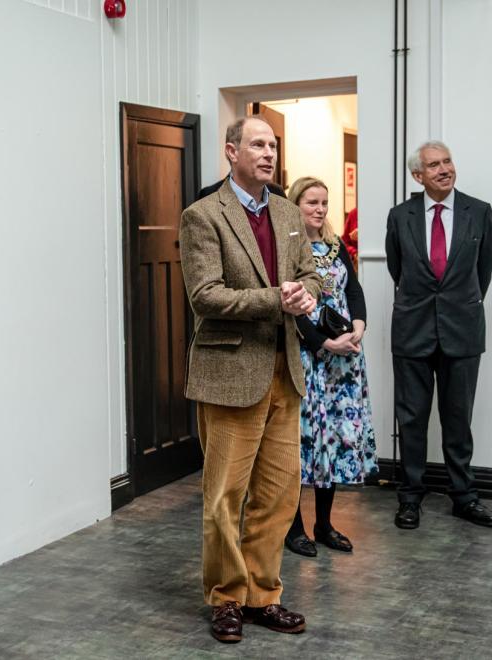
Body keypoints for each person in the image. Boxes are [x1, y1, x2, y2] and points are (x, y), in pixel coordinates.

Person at [179, 117, 322, 644]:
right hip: (230, 375)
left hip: (286, 372)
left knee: (279, 497)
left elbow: (309, 274)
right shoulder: (203, 215)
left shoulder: (287, 212)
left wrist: (307, 294)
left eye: (273, 145)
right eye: (258, 145)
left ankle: (264, 595)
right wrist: (277, 300)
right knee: (224, 498)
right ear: (231, 151)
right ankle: (226, 597)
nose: (268, 153)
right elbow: (205, 295)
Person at [385, 140, 492, 530]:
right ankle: (410, 498)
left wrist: (458, 305)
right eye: (433, 165)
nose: (443, 169)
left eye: (447, 161)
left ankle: (464, 497)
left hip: (462, 332)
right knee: (412, 418)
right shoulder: (399, 216)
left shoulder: (479, 212)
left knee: (457, 419)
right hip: (412, 330)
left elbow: (482, 273)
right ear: (418, 175)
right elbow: (397, 270)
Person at [283, 177, 377, 557]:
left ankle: (324, 524)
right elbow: (291, 308)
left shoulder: (336, 247)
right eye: (312, 203)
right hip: (309, 358)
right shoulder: (288, 249)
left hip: (343, 363)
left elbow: (353, 290)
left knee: (334, 443)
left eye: (325, 203)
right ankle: (293, 529)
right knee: (303, 444)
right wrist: (323, 342)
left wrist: (358, 327)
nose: (320, 210)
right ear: (295, 205)